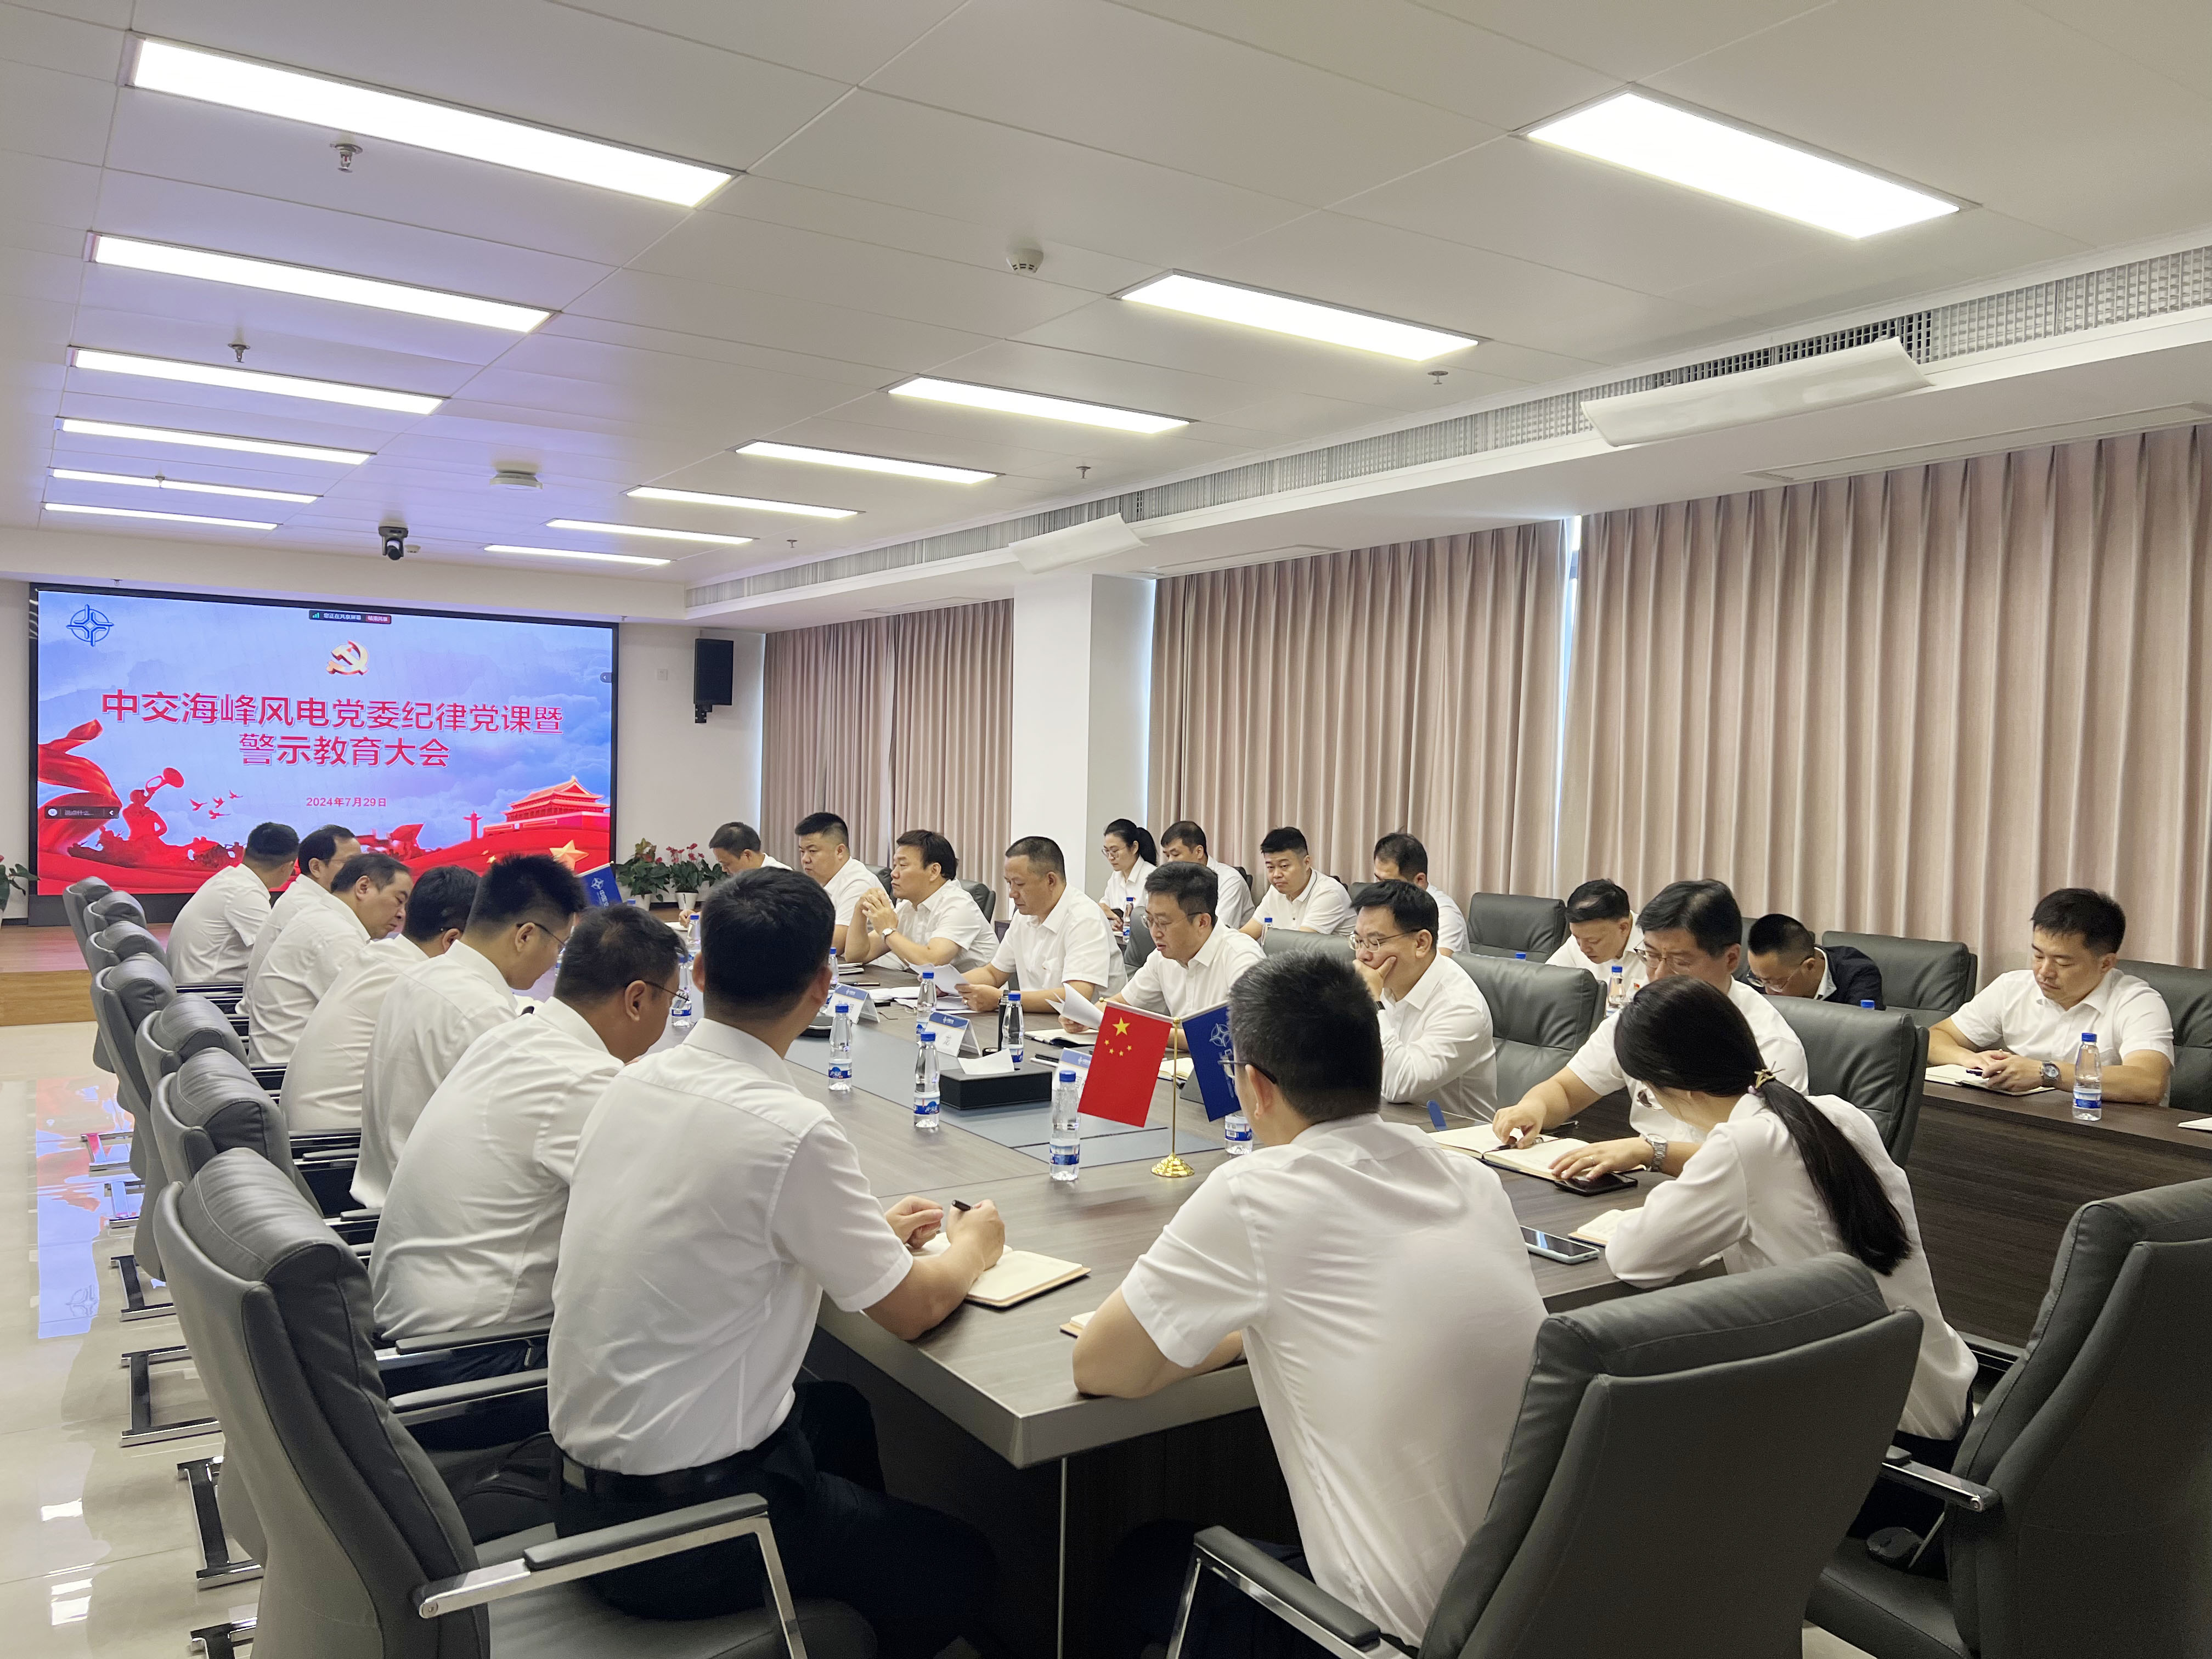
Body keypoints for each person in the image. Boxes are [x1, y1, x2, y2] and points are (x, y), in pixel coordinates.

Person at [548, 869, 1003, 1656]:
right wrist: (973, 1248)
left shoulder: (634, 1081)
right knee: (964, 1567)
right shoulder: (790, 1128)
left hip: (582, 1500)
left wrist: (857, 1233)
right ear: (824, 986)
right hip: (689, 1535)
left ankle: (846, 1593)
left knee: (844, 1414)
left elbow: (720, 1224)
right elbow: (914, 1308)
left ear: (697, 972)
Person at [1076, 952, 1545, 1652]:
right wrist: (1262, 1330)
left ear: (1256, 1087)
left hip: (1380, 1640)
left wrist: (1242, 1333)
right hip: (1527, 1614)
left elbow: (1102, 1367)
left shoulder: (1258, 1193)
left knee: (1142, 1559)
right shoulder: (1471, 1179)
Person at [1603, 975, 1974, 1536]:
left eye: (1649, 1094)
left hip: (1882, 1468)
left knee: (1642, 1424)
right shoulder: (1836, 1114)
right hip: (1945, 1423)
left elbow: (1635, 1258)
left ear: (1677, 1089)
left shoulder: (1742, 1148)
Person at [371, 905, 681, 1355]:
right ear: (636, 1000)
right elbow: (660, 1220)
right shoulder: (583, 1080)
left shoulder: (512, 1037)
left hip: (408, 1324)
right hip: (479, 1352)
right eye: (671, 1001)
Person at [1492, 879, 1810, 1182]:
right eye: (1651, 955)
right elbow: (1566, 1089)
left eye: (1680, 961)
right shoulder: (1641, 1016)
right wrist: (1534, 1108)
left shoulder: (1770, 1042)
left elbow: (1764, 1157)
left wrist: (1652, 1152)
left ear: (1730, 959)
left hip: (1729, 1191)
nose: (1658, 975)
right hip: (1644, 1182)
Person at [354, 854, 585, 1207]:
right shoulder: (482, 1013)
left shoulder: (421, 974)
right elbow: (524, 1135)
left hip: (390, 1187)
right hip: (428, 1204)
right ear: (525, 936)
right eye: (560, 945)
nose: (556, 959)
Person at [1928, 888, 2174, 1103]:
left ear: (2106, 963)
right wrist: (1969, 1059)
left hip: (2106, 1128)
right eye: (2038, 956)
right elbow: (1935, 1038)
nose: (2044, 972)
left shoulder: (2138, 1002)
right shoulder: (2012, 988)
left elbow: (2149, 1082)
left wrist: (2046, 1073)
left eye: (2062, 962)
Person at [283, 866, 479, 1132]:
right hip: (336, 1138)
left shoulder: (381, 955)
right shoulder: (420, 981)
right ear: (453, 940)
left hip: (308, 1121)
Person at [243, 853, 411, 1066]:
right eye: (399, 901)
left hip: (292, 1063)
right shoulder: (336, 936)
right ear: (363, 888)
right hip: (285, 1071)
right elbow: (379, 1023)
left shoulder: (325, 917)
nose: (402, 914)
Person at [1355, 879, 1498, 1122]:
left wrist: (1372, 1003)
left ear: (1421, 943)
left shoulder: (1461, 1006)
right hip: (1385, 1124)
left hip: (1452, 1138)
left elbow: (1398, 1086)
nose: (1362, 955)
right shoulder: (1384, 983)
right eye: (1358, 941)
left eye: (1375, 942)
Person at [1093, 861, 1263, 1050]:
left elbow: (1241, 1039)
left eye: (1163, 922)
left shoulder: (1241, 958)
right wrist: (1092, 1014)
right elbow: (1116, 1005)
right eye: (1150, 920)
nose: (1154, 933)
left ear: (1202, 922)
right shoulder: (1163, 956)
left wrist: (1148, 1030)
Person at [958, 835, 1115, 1016]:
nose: (1012, 893)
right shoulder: (1023, 917)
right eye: (1009, 883)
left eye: (1019, 884)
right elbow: (993, 974)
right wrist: (949, 985)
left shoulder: (1084, 918)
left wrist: (1002, 999)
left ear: (1051, 880)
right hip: (1036, 1020)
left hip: (1085, 1028)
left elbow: (1077, 996)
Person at [844, 828, 992, 974]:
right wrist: (860, 910)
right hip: (931, 988)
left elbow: (932, 963)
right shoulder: (908, 907)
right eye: (895, 865)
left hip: (976, 989)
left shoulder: (959, 905)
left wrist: (888, 930)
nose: (894, 873)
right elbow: (856, 956)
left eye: (903, 866)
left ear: (934, 871)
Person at [167, 821, 296, 984]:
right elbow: (279, 956)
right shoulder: (245, 893)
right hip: (210, 992)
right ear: (287, 867)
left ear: (244, 852)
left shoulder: (231, 880)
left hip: (196, 985)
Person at [244, 822, 363, 984]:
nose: (362, 872)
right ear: (316, 867)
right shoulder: (309, 909)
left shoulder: (304, 897)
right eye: (351, 864)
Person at [794, 811, 888, 955]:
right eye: (802, 852)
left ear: (839, 851)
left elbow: (836, 944)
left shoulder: (858, 883)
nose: (805, 859)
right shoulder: (817, 881)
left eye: (812, 851)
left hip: (873, 966)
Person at [1239, 826, 1354, 939]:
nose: (1276, 874)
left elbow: (1299, 945)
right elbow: (1246, 934)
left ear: (1307, 863)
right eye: (1271, 867)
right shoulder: (1276, 891)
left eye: (1284, 866)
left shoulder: (1329, 893)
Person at [1747, 913, 1884, 1007]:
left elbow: (1863, 1033)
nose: (1767, 991)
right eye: (1759, 980)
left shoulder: (1858, 975)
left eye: (1776, 984)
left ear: (1810, 966)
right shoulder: (1764, 972)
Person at [1371, 831, 1467, 954]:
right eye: (1378, 879)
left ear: (1419, 881)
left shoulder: (1445, 913)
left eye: (1389, 883)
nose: (1381, 889)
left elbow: (1438, 963)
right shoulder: (1384, 906)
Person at [1546, 878, 1648, 988]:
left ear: (1623, 928)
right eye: (1577, 938)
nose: (1583, 949)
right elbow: (1546, 980)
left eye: (1593, 941)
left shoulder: (1653, 948)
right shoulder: (1582, 937)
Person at [1161, 819, 1254, 932]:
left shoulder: (1230, 881)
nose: (1170, 862)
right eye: (1167, 856)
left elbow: (1218, 930)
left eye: (1175, 854)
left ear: (1199, 852)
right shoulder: (1177, 881)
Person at [1099, 818, 1158, 924]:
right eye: (1107, 851)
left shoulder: (1153, 877)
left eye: (1114, 851)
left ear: (1134, 847)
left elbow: (1156, 922)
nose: (1110, 857)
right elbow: (1104, 907)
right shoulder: (1115, 877)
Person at [707, 820, 789, 876]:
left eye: (726, 864)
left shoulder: (782, 878)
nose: (724, 869)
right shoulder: (743, 880)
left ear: (747, 855)